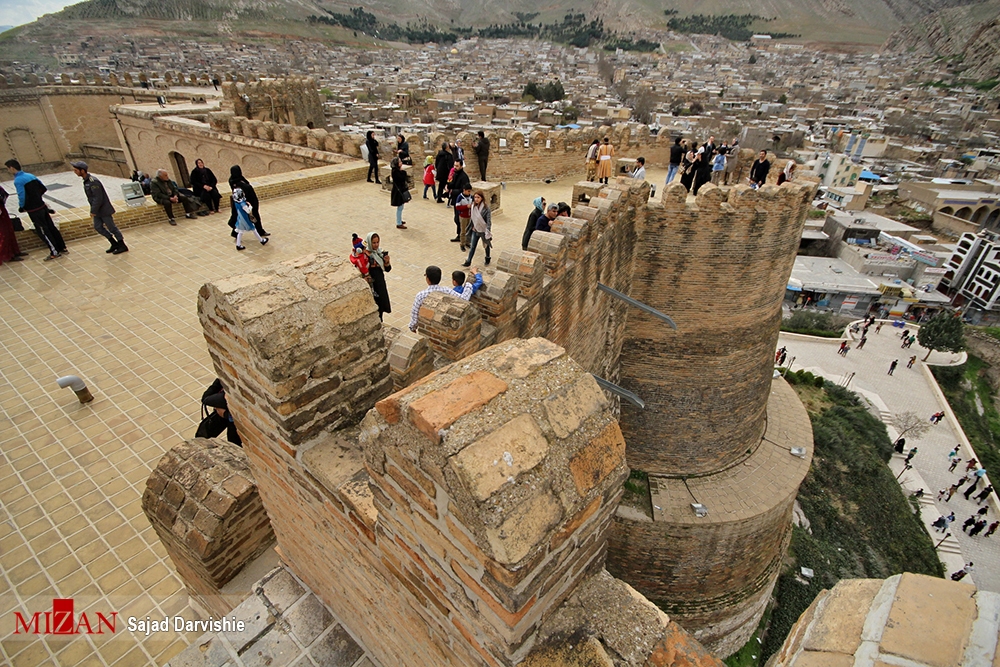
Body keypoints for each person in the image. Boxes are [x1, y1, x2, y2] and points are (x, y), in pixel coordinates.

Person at [6, 159, 68, 259]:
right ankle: (62, 247)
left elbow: (22, 195)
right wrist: (37, 198)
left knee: (43, 230)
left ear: (12, 168)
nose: (9, 171)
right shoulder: (30, 175)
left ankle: (54, 252)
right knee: (51, 227)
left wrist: (22, 207)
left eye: (8, 169)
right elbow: (43, 188)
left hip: (34, 210)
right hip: (42, 206)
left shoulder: (18, 180)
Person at [71, 160, 127, 254]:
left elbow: (98, 198)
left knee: (112, 228)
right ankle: (113, 243)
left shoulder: (93, 182)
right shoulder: (86, 181)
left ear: (83, 171)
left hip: (103, 210)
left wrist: (93, 210)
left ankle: (122, 245)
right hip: (97, 210)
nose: (75, 172)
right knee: (98, 227)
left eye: (76, 170)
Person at [409, 265, 452, 332]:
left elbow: (415, 314)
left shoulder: (421, 295)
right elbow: (463, 297)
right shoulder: (447, 291)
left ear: (428, 279)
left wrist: (413, 327)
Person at [228, 166, 267, 238]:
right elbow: (250, 194)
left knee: (239, 217)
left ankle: (235, 233)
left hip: (237, 203)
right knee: (253, 217)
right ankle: (260, 232)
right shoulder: (242, 185)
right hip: (245, 203)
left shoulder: (232, 180)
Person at [365, 232, 392, 321]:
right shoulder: (365, 255)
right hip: (372, 284)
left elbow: (387, 269)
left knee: (381, 305)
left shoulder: (379, 253)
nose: (376, 245)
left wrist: (386, 262)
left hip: (380, 283)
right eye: (374, 243)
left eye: (377, 242)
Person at [464, 191, 492, 267]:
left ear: (482, 198)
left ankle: (488, 257)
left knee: (486, 246)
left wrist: (488, 231)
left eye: (478, 197)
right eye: (475, 197)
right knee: (472, 246)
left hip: (483, 230)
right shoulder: (473, 206)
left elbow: (488, 221)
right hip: (475, 230)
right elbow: (472, 219)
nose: (476, 199)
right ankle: (468, 261)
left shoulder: (486, 208)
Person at [0, 184, 26, 264]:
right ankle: (7, 255)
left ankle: (14, 252)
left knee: (9, 231)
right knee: (4, 234)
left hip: (2, 211)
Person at [449, 161, 471, 237]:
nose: (455, 167)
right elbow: (453, 184)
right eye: (454, 165)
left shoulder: (464, 177)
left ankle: (463, 236)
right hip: (456, 200)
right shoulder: (455, 174)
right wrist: (448, 186)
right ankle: (459, 235)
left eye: (457, 166)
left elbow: (463, 190)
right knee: (457, 219)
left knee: (460, 220)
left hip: (462, 201)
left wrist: (452, 191)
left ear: (461, 166)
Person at [389, 158, 408, 230]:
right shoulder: (395, 171)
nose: (401, 162)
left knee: (401, 207)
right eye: (400, 161)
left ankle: (399, 220)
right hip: (398, 192)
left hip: (400, 190)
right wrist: (403, 171)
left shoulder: (397, 171)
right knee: (400, 208)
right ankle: (398, 223)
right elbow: (402, 178)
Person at [454, 186, 473, 251]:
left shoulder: (471, 197)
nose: (469, 192)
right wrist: (466, 207)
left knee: (468, 231)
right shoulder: (460, 197)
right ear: (464, 190)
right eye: (468, 191)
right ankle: (462, 244)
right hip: (463, 216)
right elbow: (457, 207)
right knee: (463, 231)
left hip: (469, 216)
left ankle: (467, 242)